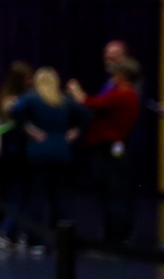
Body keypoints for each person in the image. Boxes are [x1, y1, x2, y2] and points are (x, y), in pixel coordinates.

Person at [11, 67, 87, 254]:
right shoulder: (64, 100)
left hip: (39, 152)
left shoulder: (31, 98)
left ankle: (35, 239)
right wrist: (74, 132)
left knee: (37, 196)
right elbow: (86, 113)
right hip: (61, 151)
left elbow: (14, 112)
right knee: (60, 197)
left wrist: (29, 130)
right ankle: (62, 239)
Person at [67, 57, 141, 242]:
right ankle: (117, 233)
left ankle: (115, 237)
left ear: (123, 76)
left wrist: (75, 90)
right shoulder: (129, 95)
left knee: (113, 194)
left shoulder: (121, 95)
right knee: (115, 193)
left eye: (116, 74)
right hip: (114, 150)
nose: (113, 78)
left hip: (108, 151)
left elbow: (90, 103)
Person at [0, 60, 33, 249]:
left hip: (10, 151)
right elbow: (4, 127)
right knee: (17, 195)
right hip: (14, 152)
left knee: (19, 195)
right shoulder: (13, 101)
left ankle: (15, 232)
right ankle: (5, 232)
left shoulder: (6, 96)